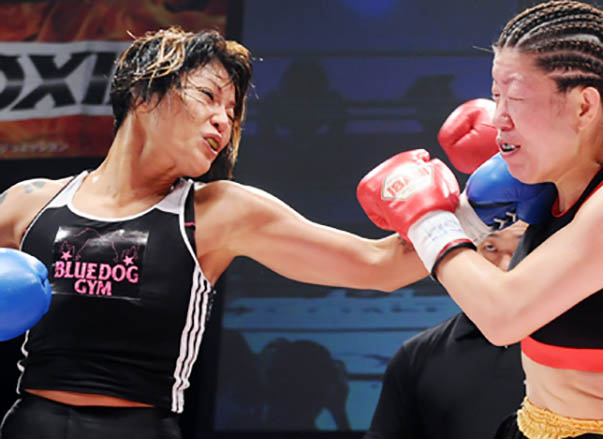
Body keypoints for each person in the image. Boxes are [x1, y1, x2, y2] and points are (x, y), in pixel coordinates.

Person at [0, 27, 432, 439]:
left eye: (231, 111)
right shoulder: (29, 203)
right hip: (28, 425)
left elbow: (379, 265)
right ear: (144, 93)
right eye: (208, 96)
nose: (223, 121)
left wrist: (463, 213)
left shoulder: (220, 212)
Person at [357, 1, 603, 437]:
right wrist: (467, 219)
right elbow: (386, 267)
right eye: (496, 96)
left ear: (584, 107)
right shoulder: (542, 186)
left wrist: (430, 220)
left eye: (517, 98)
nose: (498, 119)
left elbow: (504, 315)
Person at [364, 221, 528, 439]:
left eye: (521, 246)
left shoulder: (569, 343)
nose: (505, 265)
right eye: (490, 247)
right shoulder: (417, 355)